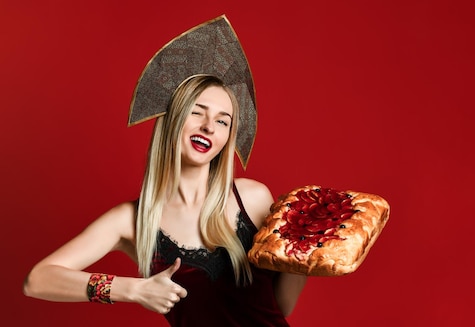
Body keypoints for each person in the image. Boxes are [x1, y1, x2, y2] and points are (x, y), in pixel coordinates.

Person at [23, 74, 307, 326]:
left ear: (226, 138)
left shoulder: (253, 198)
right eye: (197, 113)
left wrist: (306, 258)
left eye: (222, 121)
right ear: (172, 119)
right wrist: (132, 290)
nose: (209, 126)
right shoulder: (131, 220)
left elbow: (280, 307)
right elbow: (37, 280)